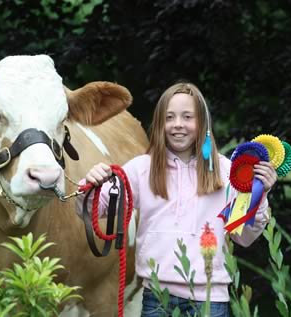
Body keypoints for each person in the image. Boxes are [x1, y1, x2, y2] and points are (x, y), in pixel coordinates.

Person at [75, 82, 277, 317]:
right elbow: (92, 209)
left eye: (187, 117)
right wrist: (91, 184)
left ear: (202, 122)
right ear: (160, 124)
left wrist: (259, 195)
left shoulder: (225, 170)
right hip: (157, 298)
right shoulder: (142, 168)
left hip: (210, 301)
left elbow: (243, 237)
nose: (178, 124)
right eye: (169, 117)